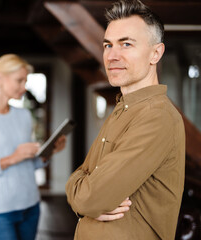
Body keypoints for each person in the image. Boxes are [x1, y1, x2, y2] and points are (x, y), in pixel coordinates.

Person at [65, 0, 185, 239]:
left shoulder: (156, 116)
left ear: (155, 53)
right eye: (108, 45)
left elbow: (91, 197)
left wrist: (84, 197)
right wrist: (83, 193)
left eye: (126, 44)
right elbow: (83, 181)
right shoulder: (123, 108)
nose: (112, 56)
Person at [0, 54, 66, 240]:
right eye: (19, 80)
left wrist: (49, 152)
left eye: (25, 81)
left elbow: (28, 164)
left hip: (30, 206)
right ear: (0, 78)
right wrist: (12, 158)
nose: (24, 87)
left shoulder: (23, 115)